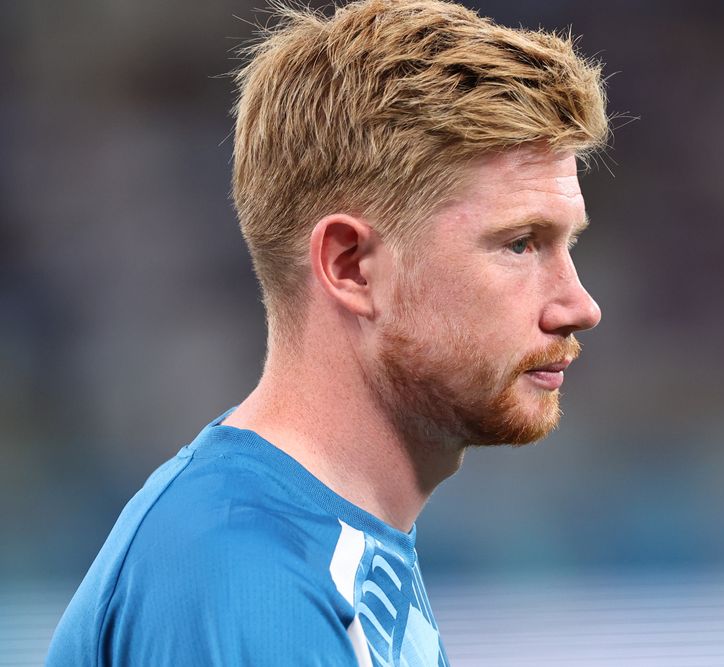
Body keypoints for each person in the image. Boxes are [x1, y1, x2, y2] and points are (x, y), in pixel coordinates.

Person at [46, 0, 609, 664]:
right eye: (520, 244)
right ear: (350, 266)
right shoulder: (239, 575)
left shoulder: (336, 546)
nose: (579, 305)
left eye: (565, 245)